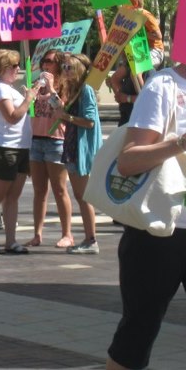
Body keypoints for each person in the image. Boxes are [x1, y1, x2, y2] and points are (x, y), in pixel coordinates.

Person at [105, 63, 186, 370]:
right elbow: (127, 161)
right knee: (136, 337)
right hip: (161, 231)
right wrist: (180, 143)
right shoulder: (164, 87)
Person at [0, 49, 38, 255]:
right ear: (4, 68)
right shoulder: (1, 90)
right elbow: (12, 116)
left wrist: (31, 96)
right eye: (14, 66)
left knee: (13, 196)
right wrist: (28, 98)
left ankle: (10, 240)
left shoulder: (10, 89)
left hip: (21, 147)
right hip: (5, 148)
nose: (18, 69)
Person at [25, 49, 73, 248]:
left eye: (50, 62)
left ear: (59, 64)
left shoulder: (64, 86)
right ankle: (37, 234)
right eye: (44, 61)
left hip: (55, 140)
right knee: (39, 190)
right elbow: (29, 110)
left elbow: (62, 110)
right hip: (36, 139)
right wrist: (29, 94)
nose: (46, 65)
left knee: (59, 189)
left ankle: (67, 234)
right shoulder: (37, 84)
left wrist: (52, 88)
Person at [58, 53, 102, 255]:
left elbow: (89, 121)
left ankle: (91, 239)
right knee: (80, 195)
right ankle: (88, 237)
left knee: (84, 196)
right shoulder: (75, 90)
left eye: (68, 67)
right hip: (72, 147)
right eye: (64, 67)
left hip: (80, 149)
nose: (65, 70)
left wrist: (64, 115)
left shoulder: (85, 91)